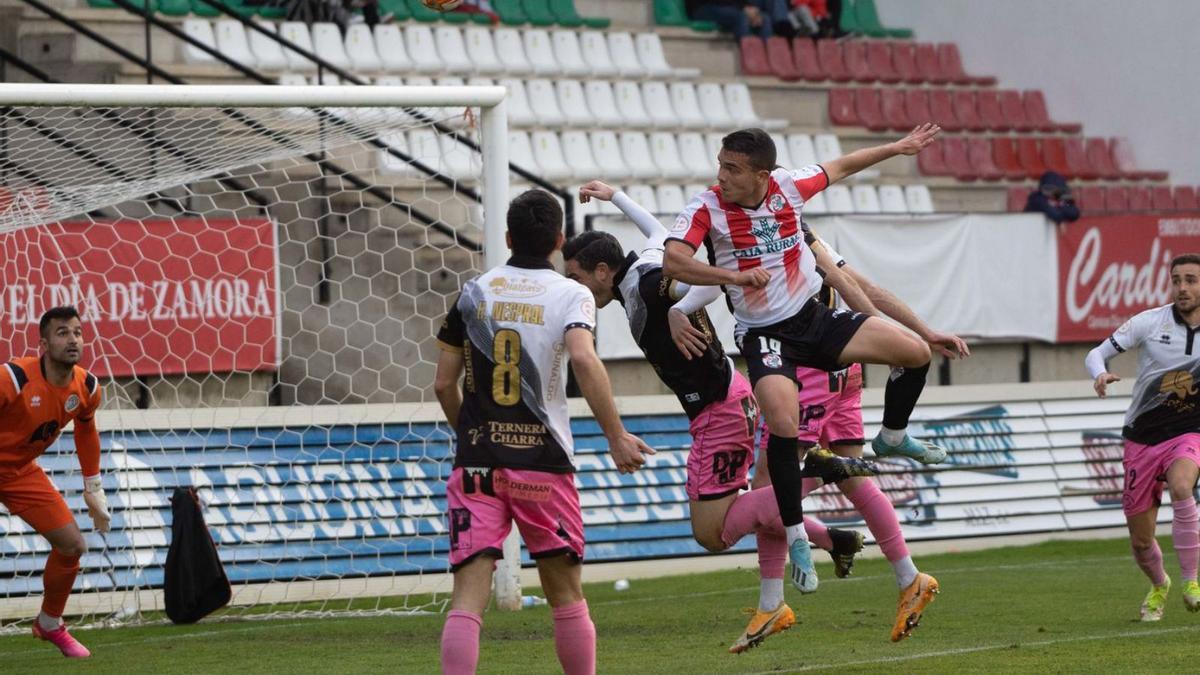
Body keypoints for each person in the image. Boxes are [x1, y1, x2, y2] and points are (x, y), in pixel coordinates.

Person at [563, 182, 874, 653]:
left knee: (712, 532)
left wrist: (705, 295)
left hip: (718, 410)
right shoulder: (645, 263)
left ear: (602, 270)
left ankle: (814, 471)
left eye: (576, 276)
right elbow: (656, 231)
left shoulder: (648, 284)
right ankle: (830, 542)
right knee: (757, 501)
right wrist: (615, 197)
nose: (574, 286)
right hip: (730, 396)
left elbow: (696, 281)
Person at [662, 124, 951, 598]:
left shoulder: (790, 188)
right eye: (719, 164)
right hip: (765, 335)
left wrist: (898, 148)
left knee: (916, 352)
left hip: (814, 322)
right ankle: (796, 535)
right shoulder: (705, 207)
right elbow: (674, 262)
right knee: (782, 420)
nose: (721, 175)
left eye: (732, 168)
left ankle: (894, 435)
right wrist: (730, 276)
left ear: (761, 175)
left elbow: (842, 165)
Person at [433, 189, 654, 675]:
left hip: (477, 466)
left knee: (467, 601)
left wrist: (470, 434)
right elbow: (582, 357)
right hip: (543, 466)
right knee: (566, 598)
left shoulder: (473, 292)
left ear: (508, 236)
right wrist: (615, 435)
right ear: (558, 240)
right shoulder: (570, 293)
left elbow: (443, 383)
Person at [752, 223, 969, 641]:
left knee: (766, 487)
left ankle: (772, 602)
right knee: (854, 480)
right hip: (847, 372)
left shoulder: (778, 240)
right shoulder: (807, 237)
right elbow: (865, 285)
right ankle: (909, 578)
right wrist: (914, 335)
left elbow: (845, 284)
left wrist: (902, 339)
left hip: (809, 372)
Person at [1085, 253, 1200, 621]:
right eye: (1177, 280)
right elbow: (1096, 354)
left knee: (1183, 487)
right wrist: (1100, 374)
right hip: (1142, 438)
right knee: (1140, 540)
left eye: (1191, 280)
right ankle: (1159, 583)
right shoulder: (1150, 322)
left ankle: (1191, 581)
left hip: (1188, 432)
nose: (1183, 288)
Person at [0, 306, 109, 658]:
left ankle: (48, 623)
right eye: (63, 333)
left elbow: (86, 429)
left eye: (77, 332)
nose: (73, 339)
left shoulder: (88, 387)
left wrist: (93, 486)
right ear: (44, 344)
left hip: (18, 472)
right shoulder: (13, 378)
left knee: (72, 546)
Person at [686, 0, 796, 40]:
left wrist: (750, 9)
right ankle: (749, 58)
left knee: (764, 19)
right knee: (741, 17)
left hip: (728, 7)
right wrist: (744, 9)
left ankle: (767, 60)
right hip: (703, 8)